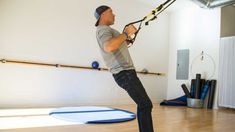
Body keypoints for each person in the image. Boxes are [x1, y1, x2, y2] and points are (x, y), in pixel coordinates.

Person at [94, 5, 154, 132]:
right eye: (111, 12)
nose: (114, 14)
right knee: (145, 104)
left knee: (143, 104)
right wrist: (126, 33)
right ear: (103, 14)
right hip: (124, 73)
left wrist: (127, 38)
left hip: (126, 73)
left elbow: (117, 44)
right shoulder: (103, 29)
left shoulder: (108, 30)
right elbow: (109, 47)